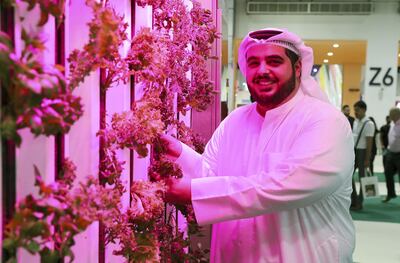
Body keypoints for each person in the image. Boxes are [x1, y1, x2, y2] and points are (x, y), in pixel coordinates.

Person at [162, 28, 355, 262]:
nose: (262, 70)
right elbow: (210, 175)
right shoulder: (235, 120)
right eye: (253, 62)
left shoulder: (326, 121)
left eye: (274, 61)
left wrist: (193, 193)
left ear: (297, 69)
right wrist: (178, 152)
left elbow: (285, 185)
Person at [350, 100, 374, 210]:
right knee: (349, 176)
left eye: (357, 110)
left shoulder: (369, 123)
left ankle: (360, 203)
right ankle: (353, 200)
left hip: (363, 152)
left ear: (364, 110)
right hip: (354, 151)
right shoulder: (355, 121)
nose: (355, 113)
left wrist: (367, 159)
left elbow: (369, 143)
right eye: (355, 111)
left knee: (362, 179)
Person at [382, 107, 400, 203]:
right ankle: (390, 194)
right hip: (390, 153)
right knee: (388, 174)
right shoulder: (392, 124)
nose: (390, 116)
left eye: (391, 114)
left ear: (396, 114)